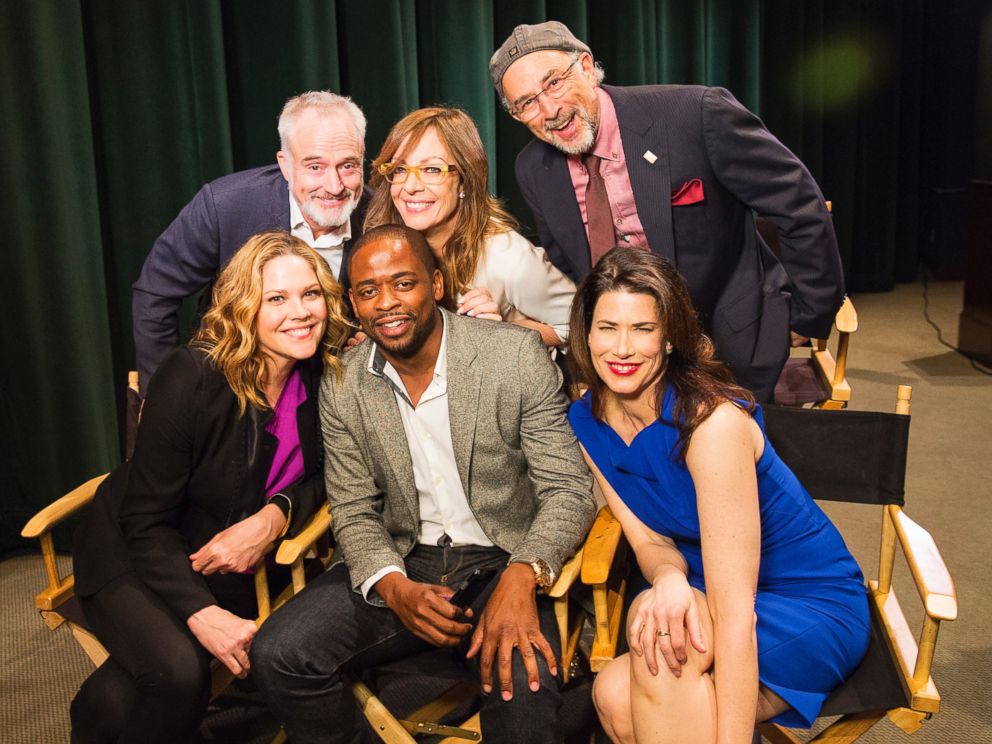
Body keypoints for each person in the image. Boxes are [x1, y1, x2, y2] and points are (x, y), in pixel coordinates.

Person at [250, 224, 596, 744]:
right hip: (405, 560)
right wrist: (393, 586)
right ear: (354, 304)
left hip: (504, 559)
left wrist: (523, 575)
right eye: (368, 291)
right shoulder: (344, 381)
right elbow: (353, 510)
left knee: (521, 686)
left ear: (436, 284)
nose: (386, 302)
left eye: (402, 283)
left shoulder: (514, 355)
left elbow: (568, 488)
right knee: (279, 653)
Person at [565, 247, 869, 743]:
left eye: (643, 329)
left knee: (663, 653)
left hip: (801, 601)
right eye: (607, 327)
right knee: (613, 696)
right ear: (586, 332)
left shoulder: (712, 425)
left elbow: (736, 614)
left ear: (669, 339)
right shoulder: (587, 419)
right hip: (701, 588)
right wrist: (667, 578)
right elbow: (646, 541)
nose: (621, 349)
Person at [70, 232, 351, 744]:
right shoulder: (193, 375)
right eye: (277, 299)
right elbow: (144, 520)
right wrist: (203, 615)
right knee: (180, 671)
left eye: (311, 294)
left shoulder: (319, 371)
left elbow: (326, 474)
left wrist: (274, 517)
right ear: (245, 307)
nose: (301, 312)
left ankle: (93, 717)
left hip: (224, 558)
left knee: (139, 687)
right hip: (136, 548)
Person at [491, 21, 845, 401]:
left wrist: (809, 316)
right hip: (626, 364)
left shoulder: (695, 113)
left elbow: (799, 205)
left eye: (554, 83)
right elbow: (571, 263)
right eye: (526, 103)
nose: (549, 110)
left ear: (588, 67)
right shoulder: (533, 169)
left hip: (728, 343)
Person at [132, 90, 370, 391]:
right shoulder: (224, 206)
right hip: (233, 388)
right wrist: (162, 396)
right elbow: (155, 293)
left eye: (348, 165)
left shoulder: (379, 216)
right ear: (285, 165)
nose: (334, 186)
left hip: (333, 394)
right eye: (315, 167)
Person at [364, 106, 575, 347]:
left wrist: (502, 331)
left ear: (465, 180)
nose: (410, 186)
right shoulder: (383, 246)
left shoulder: (509, 258)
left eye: (432, 169)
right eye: (400, 169)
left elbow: (577, 326)